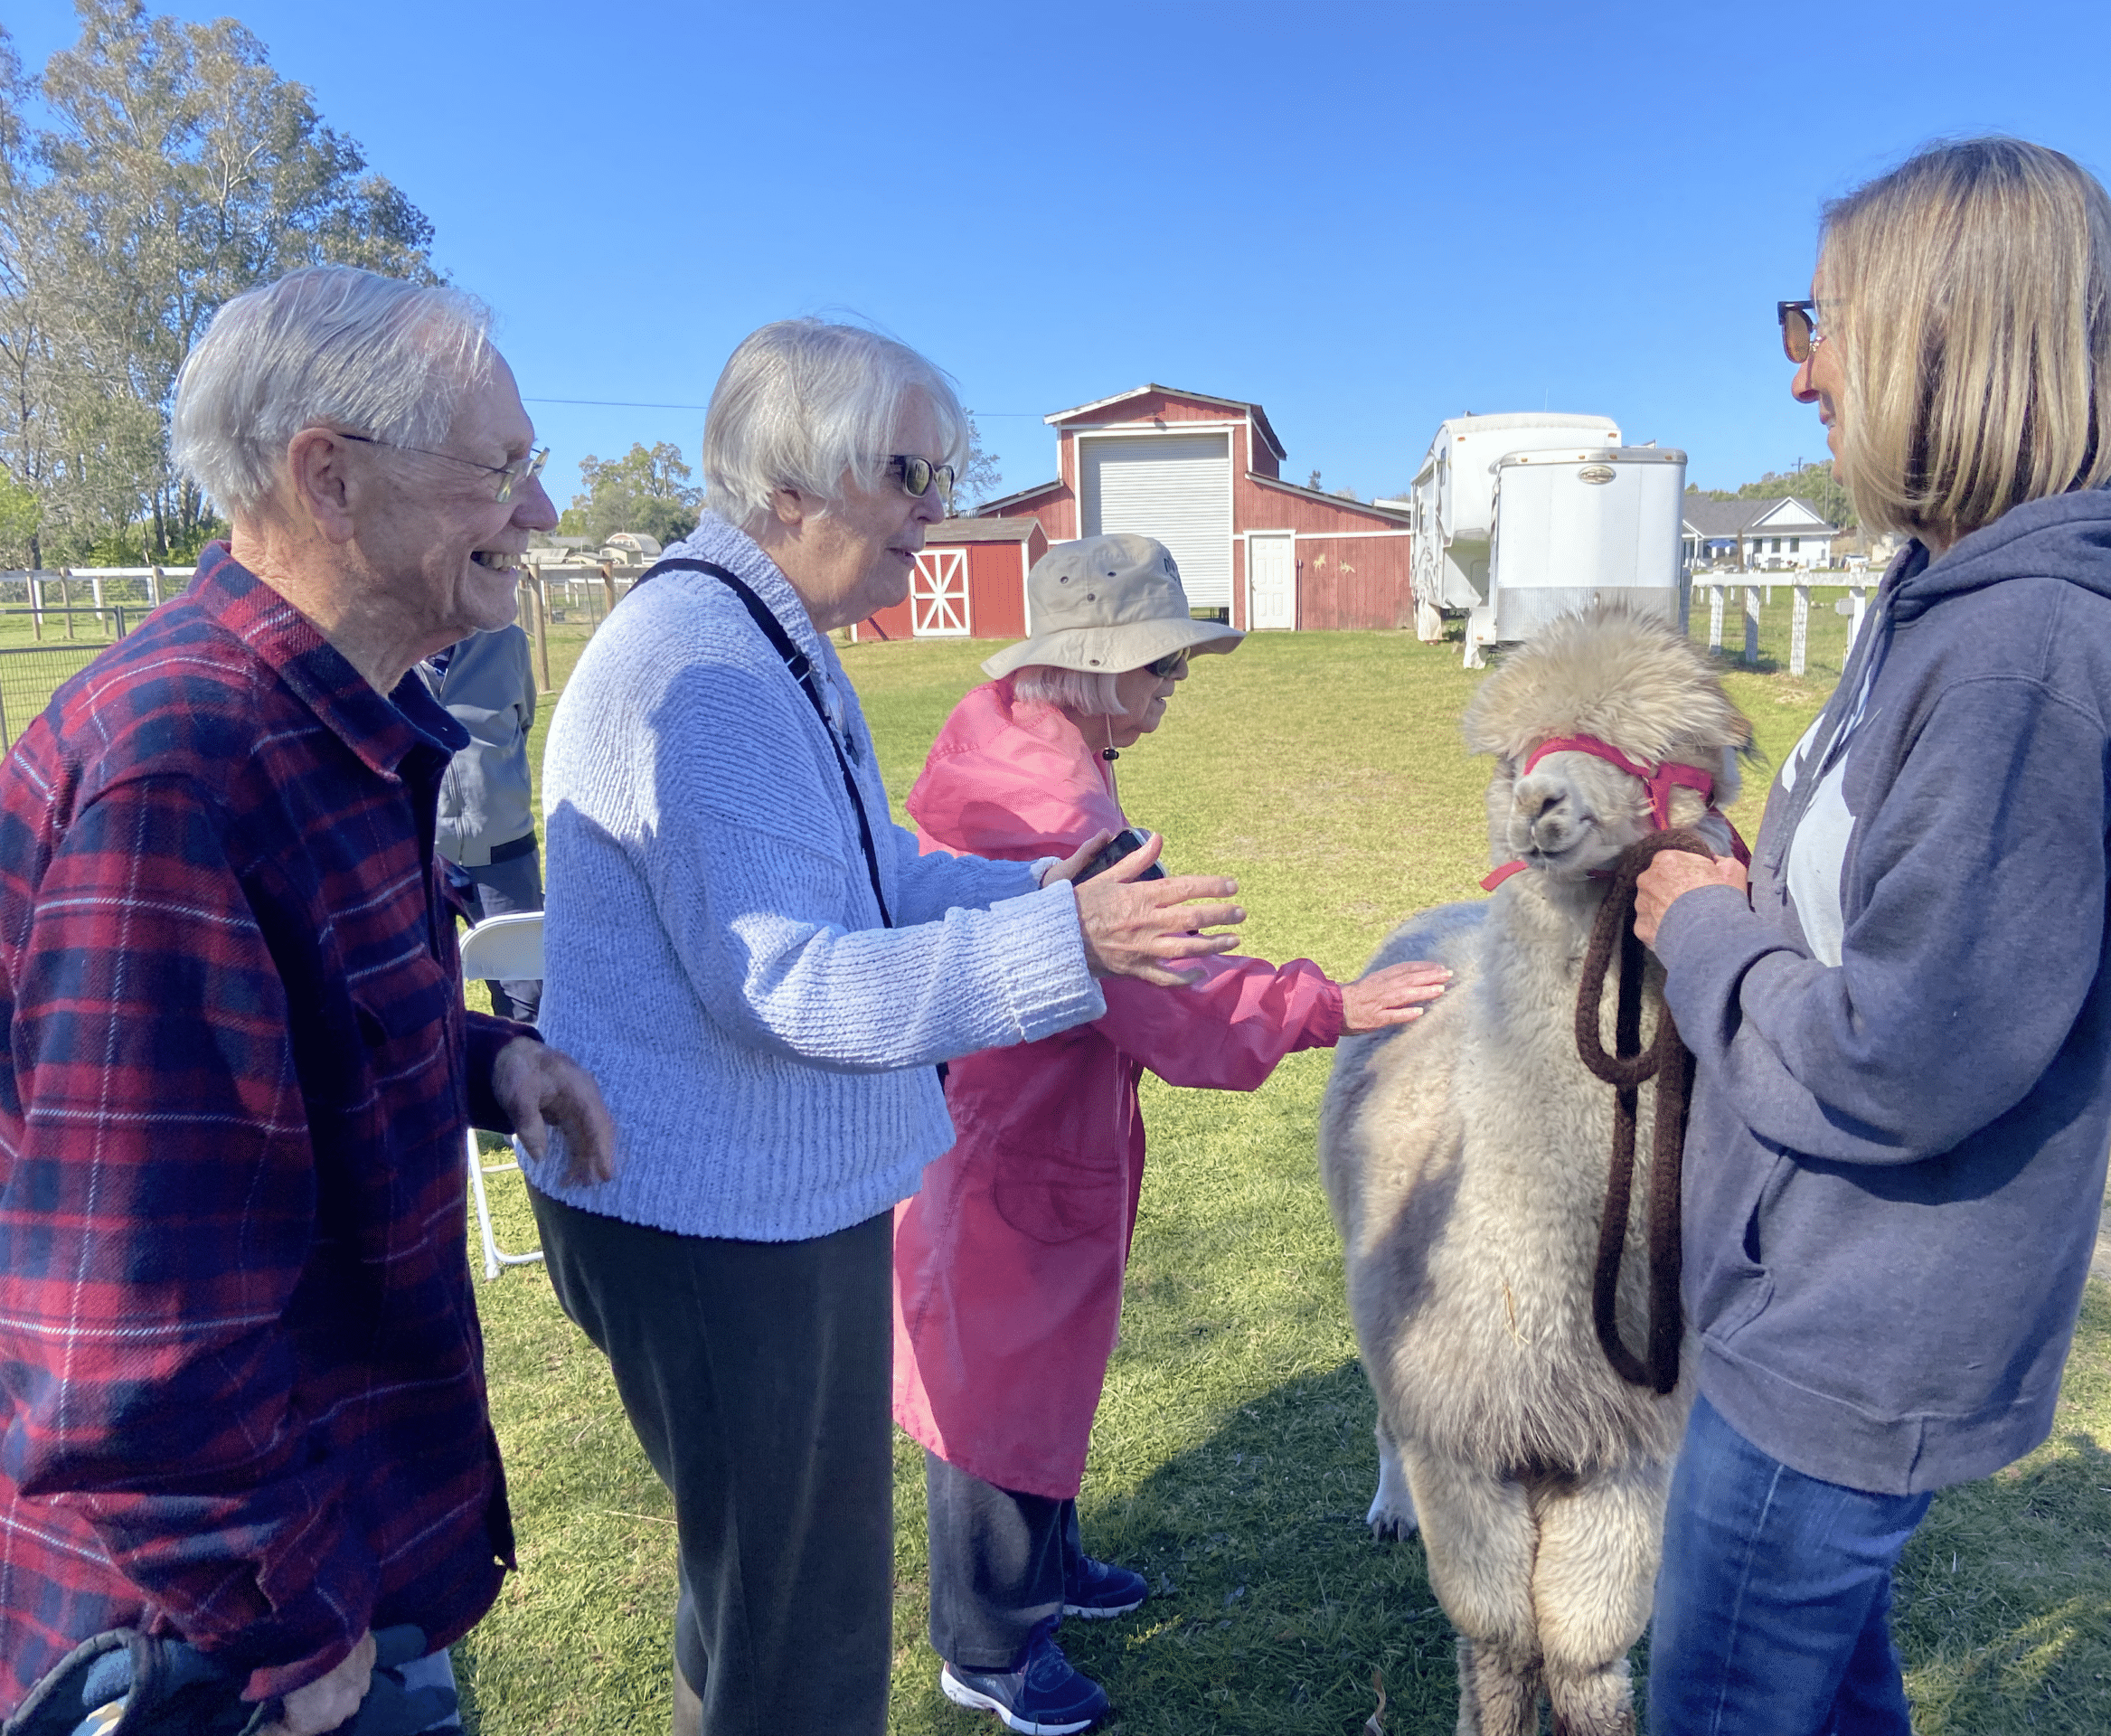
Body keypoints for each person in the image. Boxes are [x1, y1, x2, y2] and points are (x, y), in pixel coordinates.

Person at [524, 320, 1248, 1736]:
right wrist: (1068, 942)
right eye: (911, 472)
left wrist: (1035, 886)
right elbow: (791, 983)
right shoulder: (715, 669)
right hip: (720, 1232)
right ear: (789, 483)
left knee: (761, 1605)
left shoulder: (765, 635)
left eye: (943, 472)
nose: (936, 510)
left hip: (755, 1213)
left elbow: (873, 876)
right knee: (801, 1642)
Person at [1631, 138, 2111, 1734]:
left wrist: (1700, 938)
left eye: (1820, 324)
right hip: (1827, 1293)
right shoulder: (1948, 601)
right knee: (1829, 1699)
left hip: (1847, 1335)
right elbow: (1883, 916)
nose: (1806, 375)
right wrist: (1749, 888)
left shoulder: (2025, 651)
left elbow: (1905, 1053)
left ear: (1945, 337)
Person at [0, 267, 616, 1734]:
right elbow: (119, 1330)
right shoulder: (185, 773)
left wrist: (492, 1067)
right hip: (224, 1639)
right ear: (329, 477)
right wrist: (278, 1639)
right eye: (502, 467)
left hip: (331, 1557)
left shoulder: (321, 731)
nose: (535, 512)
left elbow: (284, 1045)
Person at [891, 532, 1451, 1734]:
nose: (1173, 690)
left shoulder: (1028, 746)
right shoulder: (1051, 804)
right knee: (991, 1381)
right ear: (1095, 668)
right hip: (1014, 1130)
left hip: (1026, 1116)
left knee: (1034, 1359)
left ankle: (1045, 1573)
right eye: (1162, 668)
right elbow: (1170, 999)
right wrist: (1332, 1005)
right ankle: (986, 1645)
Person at [422, 621, 544, 1022]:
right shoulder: (387, 650)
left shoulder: (506, 641)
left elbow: (521, 722)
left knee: (528, 995)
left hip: (504, 852)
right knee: (424, 996)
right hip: (421, 858)